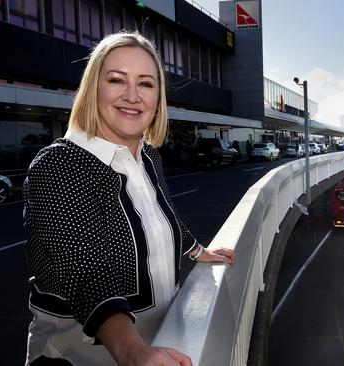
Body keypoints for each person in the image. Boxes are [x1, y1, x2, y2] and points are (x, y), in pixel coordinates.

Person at [23, 32, 235, 365]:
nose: (133, 95)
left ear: (158, 97)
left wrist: (197, 250)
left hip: (160, 342)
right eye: (117, 80)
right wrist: (131, 349)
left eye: (146, 84)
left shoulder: (148, 158)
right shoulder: (60, 164)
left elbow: (162, 213)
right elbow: (85, 269)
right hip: (82, 356)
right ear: (94, 88)